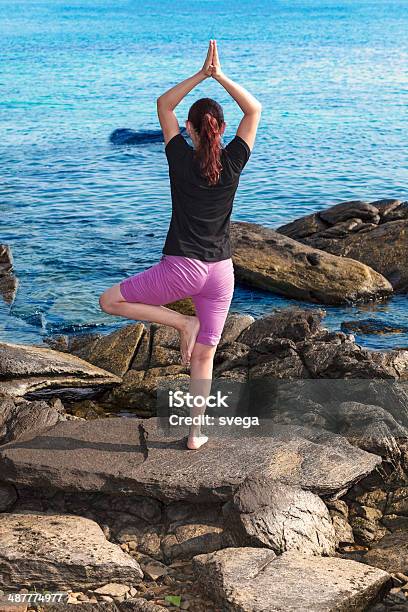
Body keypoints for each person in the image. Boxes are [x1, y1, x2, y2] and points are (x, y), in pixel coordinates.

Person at [99, 40, 261, 449]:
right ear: (221, 130)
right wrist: (220, 76)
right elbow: (254, 110)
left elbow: (163, 104)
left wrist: (200, 75)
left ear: (189, 129)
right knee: (204, 358)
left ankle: (180, 322)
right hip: (221, 273)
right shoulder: (235, 160)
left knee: (109, 301)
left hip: (182, 268)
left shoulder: (178, 157)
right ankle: (196, 433)